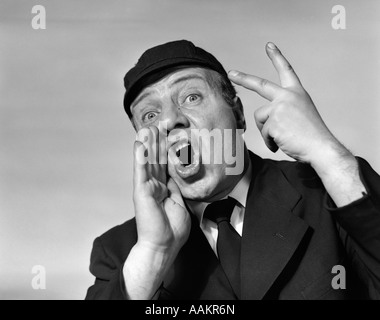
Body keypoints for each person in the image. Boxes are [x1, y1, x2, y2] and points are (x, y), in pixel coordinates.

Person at [85, 40, 380, 300]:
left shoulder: (328, 192)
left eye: (191, 97)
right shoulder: (120, 251)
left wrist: (327, 152)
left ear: (238, 114)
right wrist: (154, 254)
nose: (170, 121)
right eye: (150, 114)